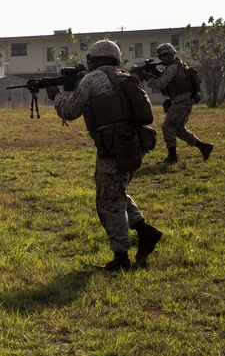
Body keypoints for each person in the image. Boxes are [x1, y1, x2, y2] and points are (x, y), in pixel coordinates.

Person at [45, 40, 163, 271]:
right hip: (135, 143)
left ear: (95, 60)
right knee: (116, 192)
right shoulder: (123, 75)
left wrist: (55, 97)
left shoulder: (91, 79)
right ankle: (145, 231)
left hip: (114, 146)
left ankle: (121, 258)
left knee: (108, 201)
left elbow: (70, 111)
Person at [138, 43, 213, 165]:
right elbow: (168, 78)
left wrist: (148, 78)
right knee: (178, 129)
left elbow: (161, 84)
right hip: (183, 101)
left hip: (182, 101)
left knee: (167, 126)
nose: (162, 58)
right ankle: (203, 147)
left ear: (172, 54)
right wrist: (155, 72)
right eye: (160, 56)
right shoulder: (176, 65)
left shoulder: (173, 67)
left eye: (165, 55)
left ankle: (172, 157)